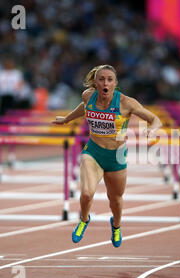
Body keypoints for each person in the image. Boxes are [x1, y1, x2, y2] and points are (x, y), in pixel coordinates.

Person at [52, 64, 162, 247]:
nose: (105, 83)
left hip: (116, 157)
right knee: (87, 193)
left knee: (116, 200)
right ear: (95, 82)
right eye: (101, 79)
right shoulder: (88, 95)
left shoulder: (126, 102)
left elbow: (155, 119)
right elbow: (84, 107)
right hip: (93, 152)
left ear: (115, 84)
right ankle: (84, 219)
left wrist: (152, 130)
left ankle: (116, 226)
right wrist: (67, 119)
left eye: (109, 80)